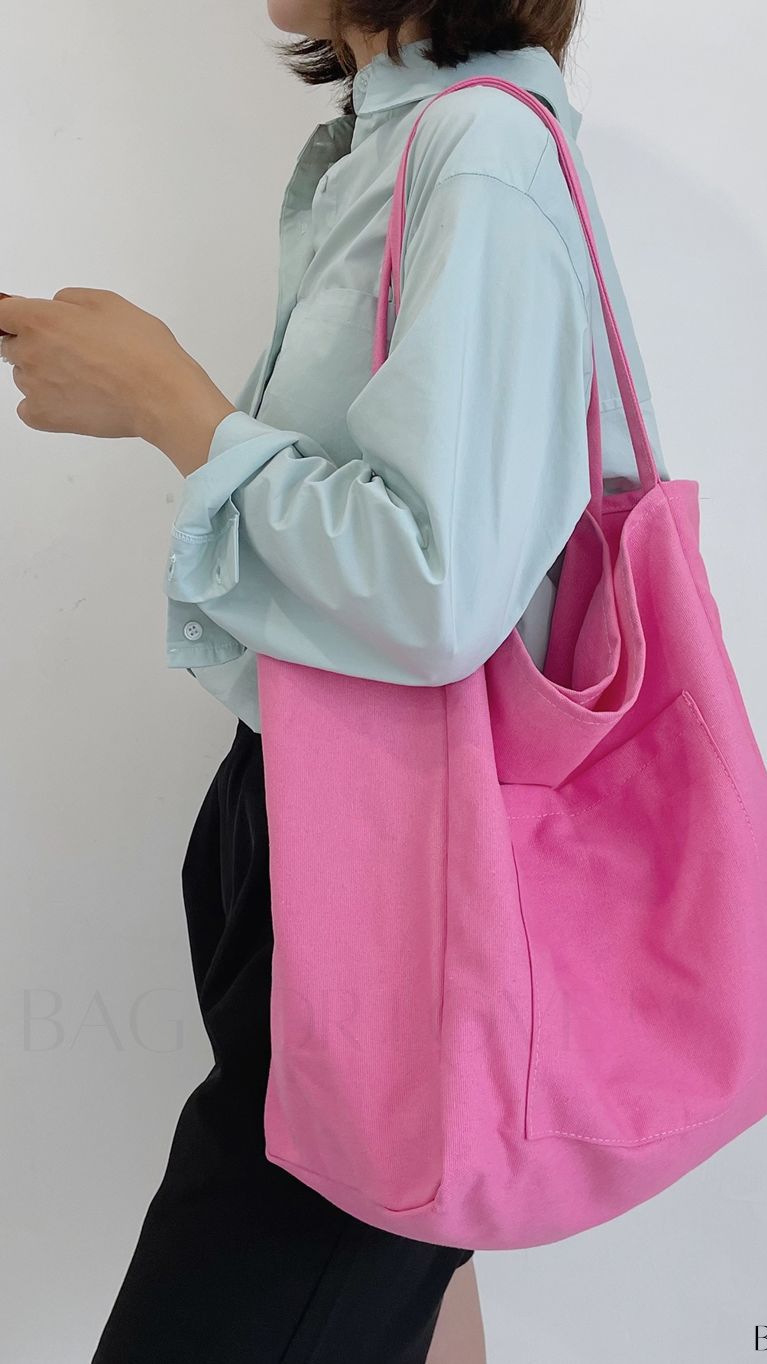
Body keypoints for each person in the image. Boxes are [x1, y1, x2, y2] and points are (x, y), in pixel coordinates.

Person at [0, 1, 668, 1359]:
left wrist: (167, 400)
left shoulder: (480, 151)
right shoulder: (389, 145)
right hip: (317, 814)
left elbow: (438, 589)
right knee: (393, 1285)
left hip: (404, 867)